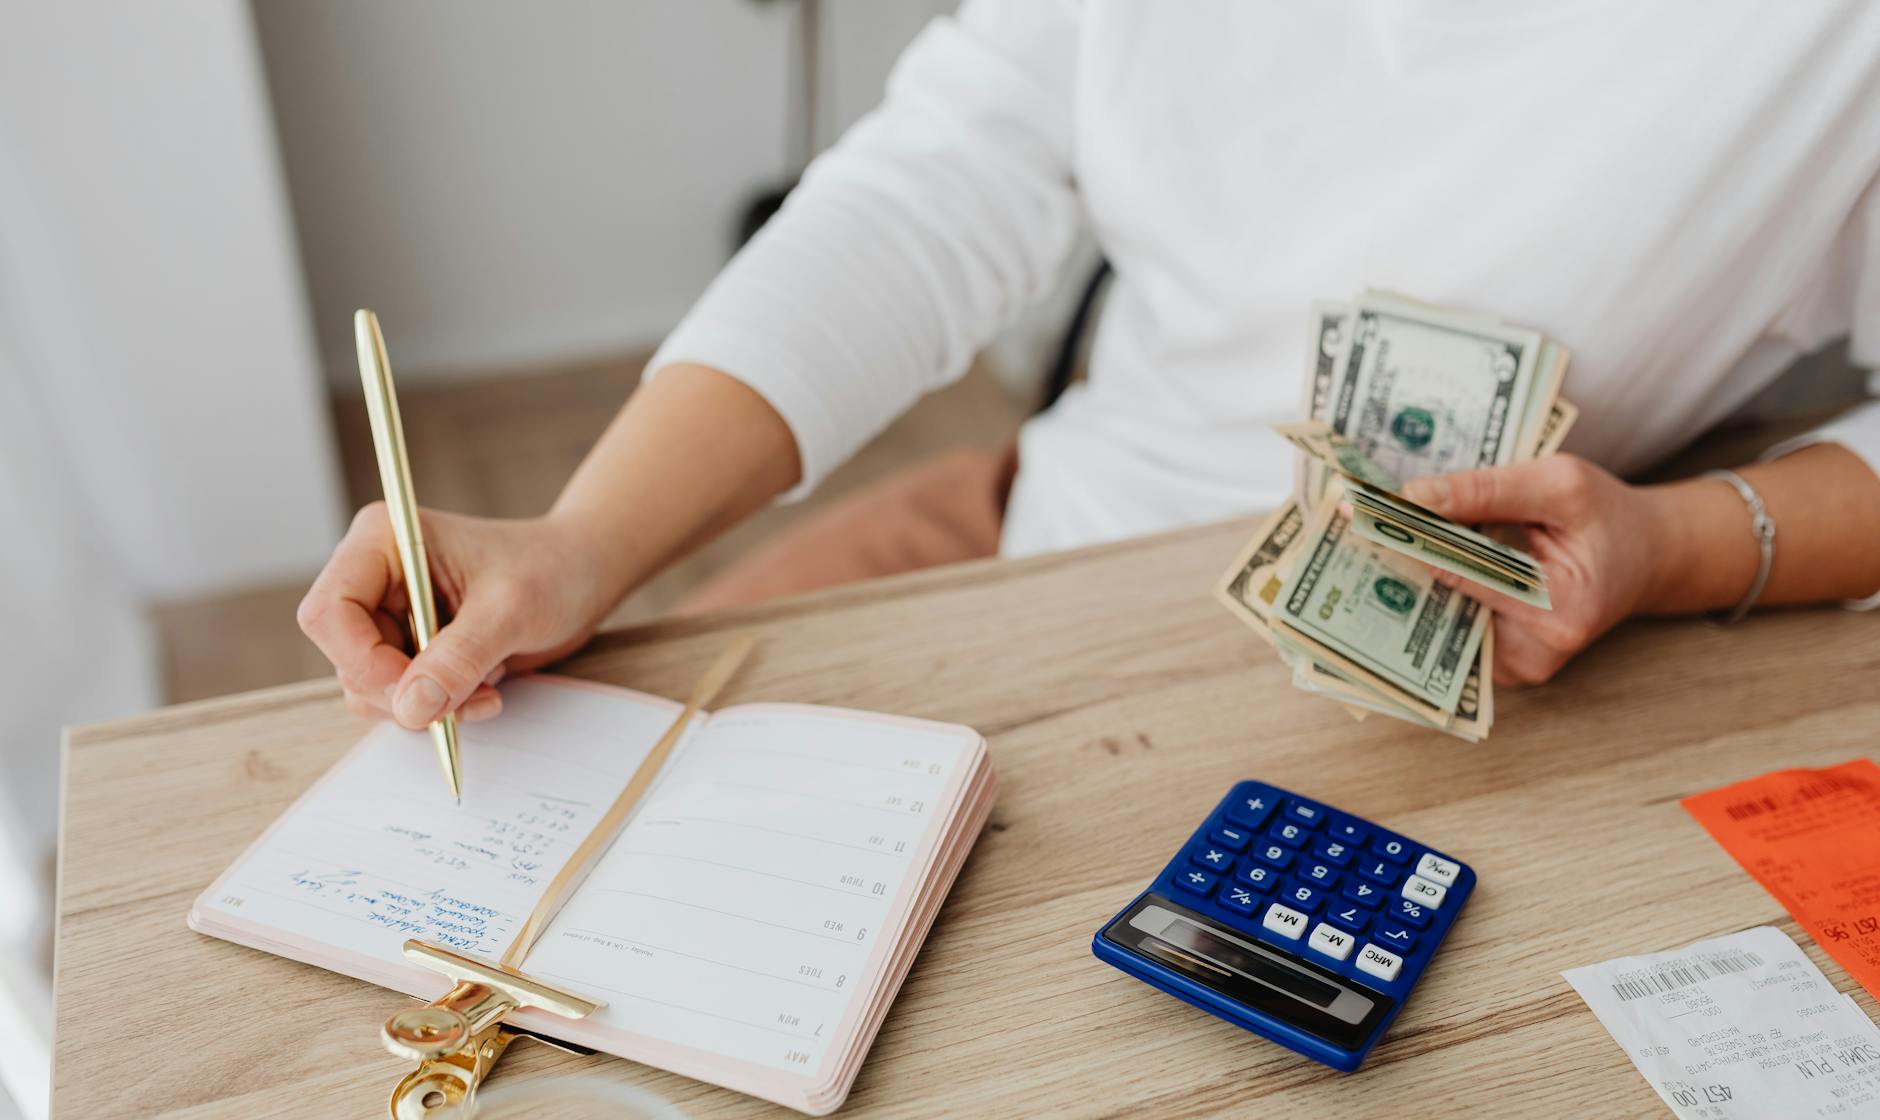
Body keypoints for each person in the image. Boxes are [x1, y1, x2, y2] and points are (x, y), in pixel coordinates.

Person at [298, 1, 1880, 729]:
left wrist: (1675, 543)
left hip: (1438, 695)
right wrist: (580, 539)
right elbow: (930, 190)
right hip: (1028, 531)